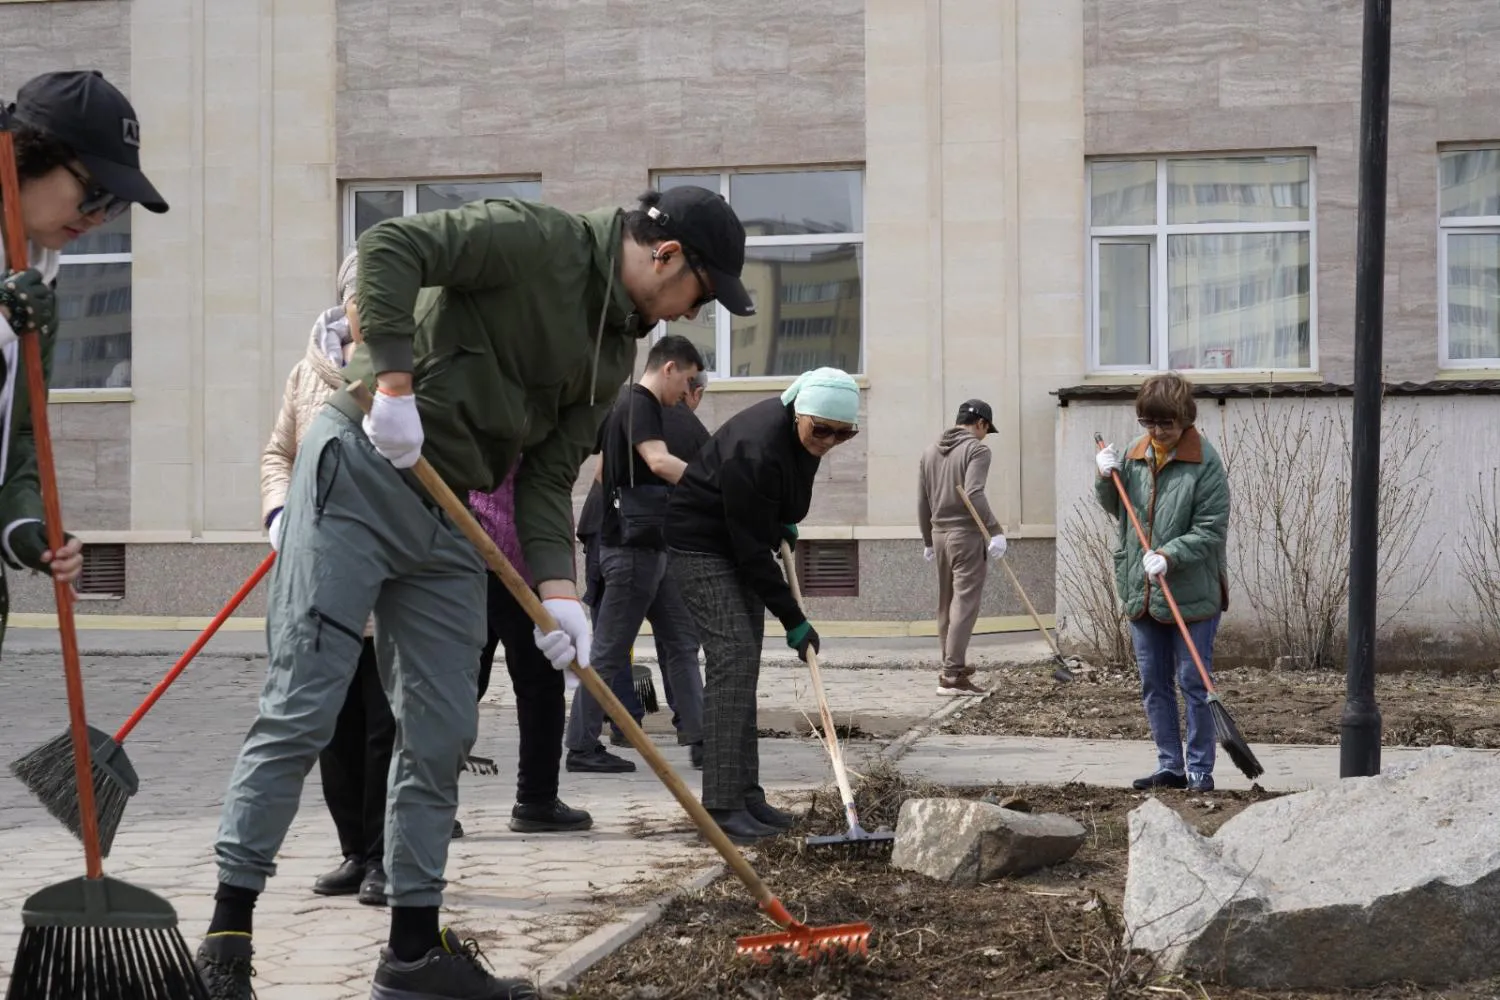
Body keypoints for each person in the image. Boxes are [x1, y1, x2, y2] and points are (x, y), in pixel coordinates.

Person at [194, 183, 753, 1000]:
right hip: (360, 465)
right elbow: (390, 250)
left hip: (454, 514)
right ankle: (225, 940)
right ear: (667, 257)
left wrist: (560, 594)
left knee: (442, 725)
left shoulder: (610, 352)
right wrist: (392, 382)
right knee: (306, 704)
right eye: (698, 295)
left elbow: (551, 473)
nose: (692, 315)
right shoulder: (538, 239)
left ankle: (414, 953)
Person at [0, 69, 169, 628]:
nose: (98, 217)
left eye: (115, 205)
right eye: (95, 190)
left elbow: (22, 432)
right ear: (28, 154)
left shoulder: (37, 279)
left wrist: (26, 528)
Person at [667, 367, 861, 844]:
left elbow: (780, 505)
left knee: (742, 666)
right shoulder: (755, 447)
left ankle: (747, 796)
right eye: (822, 429)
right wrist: (794, 619)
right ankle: (721, 807)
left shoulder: (805, 437)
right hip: (700, 548)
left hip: (738, 539)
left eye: (844, 433)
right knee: (731, 659)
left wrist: (778, 520)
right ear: (800, 413)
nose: (830, 441)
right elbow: (751, 551)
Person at [260, 252, 397, 908]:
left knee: (385, 724)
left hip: (390, 576)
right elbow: (277, 452)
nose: (372, 313)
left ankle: (385, 856)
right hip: (317, 578)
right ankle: (353, 850)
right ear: (345, 305)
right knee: (335, 727)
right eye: (364, 300)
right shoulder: (306, 373)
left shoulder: (409, 373)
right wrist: (280, 514)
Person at [564, 335, 707, 774]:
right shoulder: (637, 401)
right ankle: (582, 747)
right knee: (608, 651)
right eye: (684, 381)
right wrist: (713, 487)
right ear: (668, 368)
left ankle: (703, 740)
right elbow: (659, 461)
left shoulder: (640, 405)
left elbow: (607, 469)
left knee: (682, 641)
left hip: (653, 546)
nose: (685, 394)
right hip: (629, 550)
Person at [1094, 372, 1229, 795]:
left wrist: (1170, 555)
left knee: (1193, 682)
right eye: (1149, 424)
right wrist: (1103, 477)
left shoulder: (1204, 463)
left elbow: (1211, 528)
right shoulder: (1135, 457)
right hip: (1142, 589)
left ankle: (1200, 769)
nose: (1157, 432)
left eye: (1165, 424)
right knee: (1154, 684)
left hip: (1190, 594)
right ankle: (1169, 764)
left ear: (1185, 418)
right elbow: (1117, 507)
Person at [469, 463, 593, 833]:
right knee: (460, 683)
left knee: (537, 684)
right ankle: (431, 806)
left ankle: (537, 799)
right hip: (484, 554)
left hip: (523, 563)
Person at [592, 367, 711, 746]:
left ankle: (627, 725)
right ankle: (691, 729)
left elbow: (599, 474)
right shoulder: (689, 427)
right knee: (675, 643)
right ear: (690, 391)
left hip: (610, 533)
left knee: (615, 642)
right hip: (656, 542)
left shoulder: (625, 409)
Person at [916, 399, 1008, 696]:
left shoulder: (929, 452)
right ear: (980, 423)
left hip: (940, 535)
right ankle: (952, 675)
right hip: (966, 535)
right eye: (986, 429)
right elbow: (973, 493)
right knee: (965, 604)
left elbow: (922, 501)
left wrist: (928, 540)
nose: (984, 435)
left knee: (947, 602)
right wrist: (995, 531)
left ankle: (950, 662)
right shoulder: (977, 450)